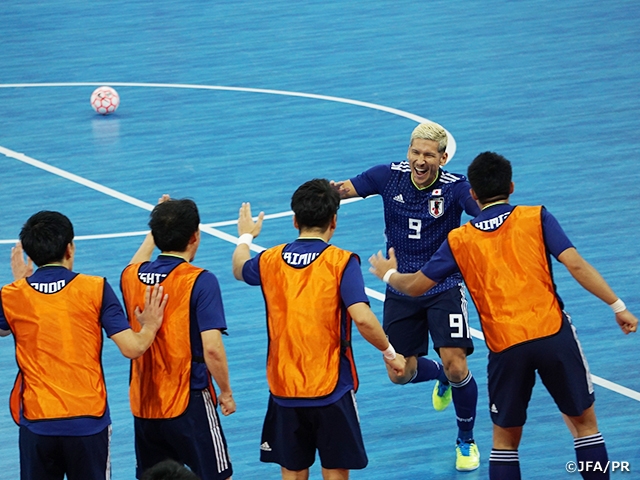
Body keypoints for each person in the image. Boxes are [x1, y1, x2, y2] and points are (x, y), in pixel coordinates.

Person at [369, 151, 639, 480]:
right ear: (511, 186)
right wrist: (617, 306)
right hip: (552, 333)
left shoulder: (460, 239)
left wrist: (387, 274)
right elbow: (576, 265)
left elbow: (413, 286)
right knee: (585, 428)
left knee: (505, 444)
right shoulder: (536, 217)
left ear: (473, 195)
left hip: (506, 345)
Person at [331, 121, 482, 471]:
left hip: (442, 286)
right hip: (399, 285)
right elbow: (340, 191)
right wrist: (314, 194)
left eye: (429, 154)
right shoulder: (387, 176)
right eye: (415, 152)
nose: (420, 160)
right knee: (400, 374)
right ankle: (440, 376)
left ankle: (466, 440)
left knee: (457, 363)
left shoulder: (456, 187)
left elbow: (488, 213)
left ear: (443, 158)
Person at [231, 179, 406, 480]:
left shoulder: (270, 259)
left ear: (295, 220)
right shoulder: (341, 262)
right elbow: (362, 318)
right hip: (331, 389)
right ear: (334, 221)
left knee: (294, 474)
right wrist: (390, 353)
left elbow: (239, 268)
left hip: (284, 387)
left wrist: (246, 235)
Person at [0, 210, 168, 480]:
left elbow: (5, 328)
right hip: (88, 422)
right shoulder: (95, 288)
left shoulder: (10, 295)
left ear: (31, 253)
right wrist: (149, 326)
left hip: (37, 422)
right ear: (69, 248)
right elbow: (132, 348)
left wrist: (20, 283)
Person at [121, 197, 235, 480]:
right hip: (189, 400)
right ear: (195, 236)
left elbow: (135, 264)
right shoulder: (200, 280)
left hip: (145, 403)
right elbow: (213, 350)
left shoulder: (130, 276)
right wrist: (226, 391)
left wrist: (156, 230)